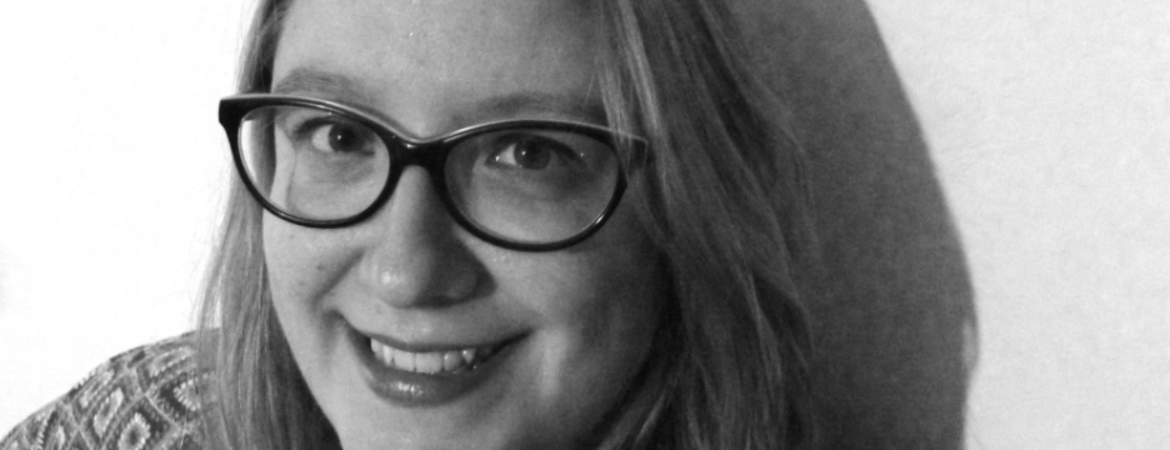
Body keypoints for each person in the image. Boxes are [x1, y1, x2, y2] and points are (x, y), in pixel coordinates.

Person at [2, 0, 818, 449]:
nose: (406, 273)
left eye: (527, 155)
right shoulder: (139, 424)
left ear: (690, 204)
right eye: (340, 137)